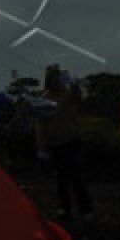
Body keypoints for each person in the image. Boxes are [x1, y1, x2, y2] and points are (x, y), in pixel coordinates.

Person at [39, 69, 92, 221]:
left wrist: (73, 83)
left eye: (57, 77)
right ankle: (65, 208)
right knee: (61, 179)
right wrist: (41, 146)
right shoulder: (45, 98)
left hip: (72, 140)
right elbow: (41, 125)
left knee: (76, 177)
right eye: (53, 77)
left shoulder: (68, 93)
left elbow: (79, 97)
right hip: (55, 143)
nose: (55, 80)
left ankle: (85, 209)